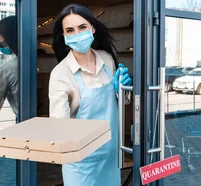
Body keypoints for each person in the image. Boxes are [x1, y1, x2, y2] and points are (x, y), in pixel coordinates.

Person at [48, 4, 132, 186]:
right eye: (70, 30)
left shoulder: (107, 60)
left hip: (110, 157)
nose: (77, 33)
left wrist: (123, 91)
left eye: (82, 27)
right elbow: (59, 127)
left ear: (92, 28)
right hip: (81, 164)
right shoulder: (61, 74)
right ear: (64, 36)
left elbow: (120, 103)